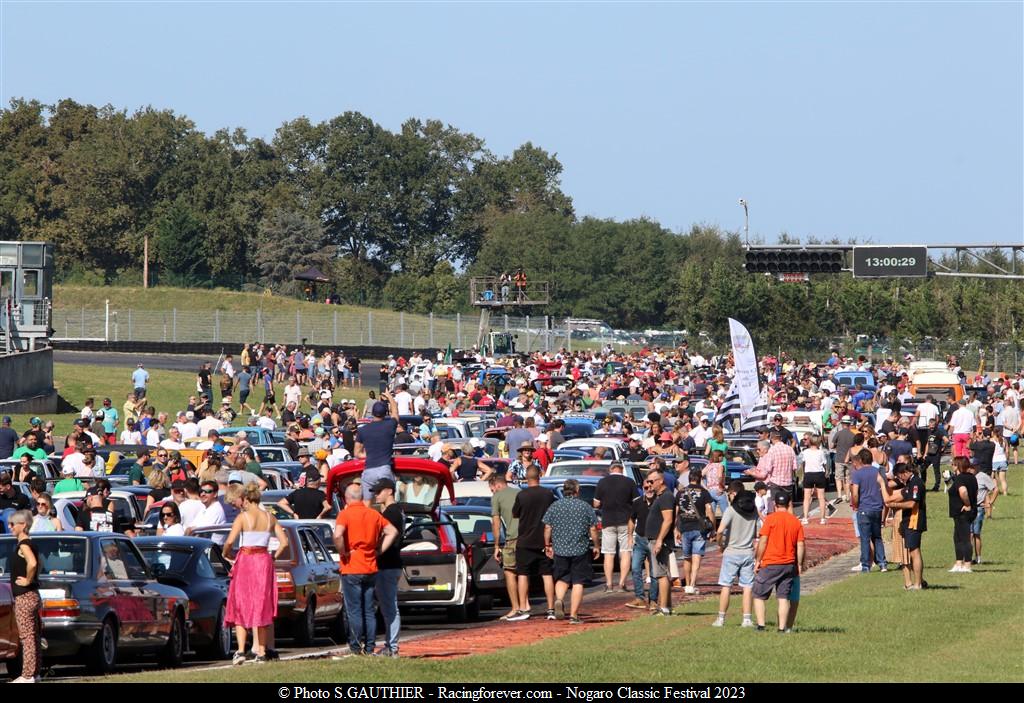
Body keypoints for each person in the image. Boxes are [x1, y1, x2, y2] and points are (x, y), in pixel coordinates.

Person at [223, 483, 289, 665]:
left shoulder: (243, 518)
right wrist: (272, 557)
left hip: (246, 559)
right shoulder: (270, 518)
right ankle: (261, 651)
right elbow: (284, 543)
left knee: (241, 602)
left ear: (246, 499)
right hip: (263, 559)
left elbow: (229, 541)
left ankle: (241, 650)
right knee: (262, 603)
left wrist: (226, 553)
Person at [333, 483, 398, 655]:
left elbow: (338, 534)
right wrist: (378, 550)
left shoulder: (344, 514)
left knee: (354, 609)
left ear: (347, 498)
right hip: (370, 565)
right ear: (361, 497)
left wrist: (343, 552)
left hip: (352, 566)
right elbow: (392, 531)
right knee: (368, 609)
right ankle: (370, 647)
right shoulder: (373, 514)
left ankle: (355, 646)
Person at [542, 479, 599, 624]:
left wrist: (547, 544)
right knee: (578, 581)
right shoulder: (584, 506)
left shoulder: (555, 506)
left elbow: (547, 527)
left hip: (560, 549)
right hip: (580, 548)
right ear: (577, 490)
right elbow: (593, 528)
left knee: (562, 578)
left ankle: (559, 600)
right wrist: (597, 545)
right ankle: (574, 615)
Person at [752, 491, 805, 632]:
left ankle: (761, 625)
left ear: (775, 504)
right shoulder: (795, 522)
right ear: (789, 504)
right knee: (783, 597)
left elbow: (763, 541)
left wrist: (758, 560)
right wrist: (799, 564)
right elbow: (800, 545)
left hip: (770, 562)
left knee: (758, 594)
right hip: (788, 564)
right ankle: (782, 628)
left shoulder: (770, 519)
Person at [510, 466, 557, 621]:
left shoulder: (521, 495)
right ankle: (551, 609)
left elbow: (515, 514)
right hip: (544, 540)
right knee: (547, 574)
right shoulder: (548, 494)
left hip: (525, 540)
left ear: (526, 476)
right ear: (540, 476)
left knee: (523, 574)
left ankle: (523, 608)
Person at [712, 482, 758, 628]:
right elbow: (757, 532)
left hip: (731, 551)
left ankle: (721, 618)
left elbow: (720, 531)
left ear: (733, 494)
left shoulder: (731, 510)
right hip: (748, 551)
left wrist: (720, 545)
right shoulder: (753, 510)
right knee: (747, 586)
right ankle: (747, 619)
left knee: (726, 585)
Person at [7, 510, 42, 682]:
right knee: (34, 635)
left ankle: (28, 675)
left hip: (25, 596)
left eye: (13, 524)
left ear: (24, 525)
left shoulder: (24, 545)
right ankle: (35, 673)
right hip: (33, 595)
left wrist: (28, 580)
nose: (10, 527)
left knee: (26, 636)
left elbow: (33, 563)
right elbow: (39, 563)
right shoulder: (31, 544)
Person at [593, 461, 637, 593]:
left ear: (610, 469)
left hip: (608, 521)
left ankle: (609, 584)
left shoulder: (602, 482)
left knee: (608, 553)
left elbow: (596, 504)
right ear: (622, 469)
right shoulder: (629, 482)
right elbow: (636, 502)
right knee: (625, 552)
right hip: (625, 520)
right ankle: (622, 583)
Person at [372, 478, 403, 657]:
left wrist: (378, 552)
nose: (376, 495)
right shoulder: (396, 510)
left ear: (389, 491)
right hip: (392, 563)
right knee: (387, 605)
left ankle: (392, 647)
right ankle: (390, 646)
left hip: (388, 563)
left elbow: (392, 533)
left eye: (379, 491)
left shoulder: (391, 512)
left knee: (389, 606)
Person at [885, 462, 927, 590]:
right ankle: (919, 581)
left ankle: (918, 583)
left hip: (914, 520)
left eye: (899, 477)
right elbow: (897, 497)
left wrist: (895, 506)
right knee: (912, 551)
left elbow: (912, 504)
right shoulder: (909, 484)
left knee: (915, 551)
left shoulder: (916, 483)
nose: (900, 480)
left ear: (905, 473)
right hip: (907, 521)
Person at [354, 391, 399, 502]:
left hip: (369, 470)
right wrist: (389, 397)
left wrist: (369, 455)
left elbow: (357, 453)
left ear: (372, 413)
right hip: (384, 468)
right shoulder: (390, 425)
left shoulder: (362, 430)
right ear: (385, 413)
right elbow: (395, 413)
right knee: (388, 499)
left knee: (367, 502)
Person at [676, 467, 716, 595]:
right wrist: (713, 528)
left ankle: (687, 584)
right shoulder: (704, 492)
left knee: (687, 557)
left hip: (684, 527)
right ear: (700, 479)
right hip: (699, 528)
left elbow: (676, 512)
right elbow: (709, 510)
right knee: (696, 557)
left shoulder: (680, 492)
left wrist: (675, 528)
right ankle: (692, 584)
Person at [489, 474, 522, 620]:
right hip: (527, 537)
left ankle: (515, 608)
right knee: (524, 572)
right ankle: (525, 605)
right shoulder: (519, 492)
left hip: (512, 538)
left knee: (509, 572)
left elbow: (495, 524)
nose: (492, 493)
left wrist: (497, 545)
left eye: (492, 490)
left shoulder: (497, 497)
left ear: (497, 485)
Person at [849, 448, 887, 572]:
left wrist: (855, 504)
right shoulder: (876, 471)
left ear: (860, 460)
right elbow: (882, 484)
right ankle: (882, 563)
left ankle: (866, 564)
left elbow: (855, 493)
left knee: (865, 538)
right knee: (877, 537)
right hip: (877, 507)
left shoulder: (857, 474)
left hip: (864, 507)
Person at [645, 468, 676, 616]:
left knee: (661, 574)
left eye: (651, 481)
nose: (649, 484)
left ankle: (664, 608)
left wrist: (659, 540)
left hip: (659, 541)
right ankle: (667, 606)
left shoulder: (666, 497)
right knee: (662, 573)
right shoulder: (660, 496)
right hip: (656, 539)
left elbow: (668, 520)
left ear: (660, 481)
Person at [947, 456, 977, 574]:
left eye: (954, 464)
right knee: (957, 537)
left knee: (964, 538)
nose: (952, 466)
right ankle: (958, 562)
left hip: (963, 512)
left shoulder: (960, 479)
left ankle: (967, 564)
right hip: (961, 512)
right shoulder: (972, 477)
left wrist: (967, 503)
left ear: (958, 466)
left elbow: (963, 491)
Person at [969, 460, 996, 565]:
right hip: (969, 508)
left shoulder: (983, 477)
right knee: (969, 534)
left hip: (979, 508)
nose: (970, 469)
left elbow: (995, 489)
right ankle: (968, 558)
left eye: (972, 467)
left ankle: (978, 557)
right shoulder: (968, 476)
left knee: (976, 534)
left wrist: (990, 503)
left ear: (977, 466)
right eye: (969, 467)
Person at [800, 435, 828, 525]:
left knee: (806, 497)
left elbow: (803, 463)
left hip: (808, 474)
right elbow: (824, 463)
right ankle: (823, 518)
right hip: (819, 474)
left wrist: (804, 472)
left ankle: (805, 518)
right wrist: (826, 472)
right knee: (821, 497)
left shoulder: (805, 452)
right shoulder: (821, 452)